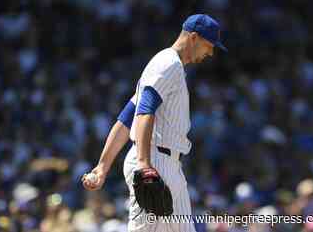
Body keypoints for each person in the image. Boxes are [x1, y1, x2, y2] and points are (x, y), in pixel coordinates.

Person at [82, 14, 227, 232]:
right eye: (209, 44)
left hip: (165, 161)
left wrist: (103, 167)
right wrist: (144, 163)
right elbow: (143, 112)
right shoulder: (169, 64)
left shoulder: (168, 66)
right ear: (194, 37)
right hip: (156, 160)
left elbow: (126, 118)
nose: (211, 52)